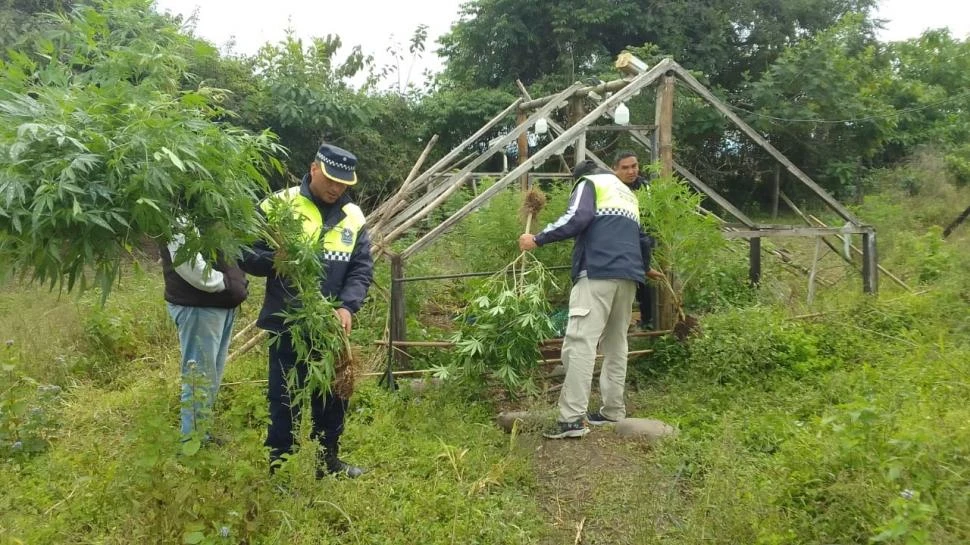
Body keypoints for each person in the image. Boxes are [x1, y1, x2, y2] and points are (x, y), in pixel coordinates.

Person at [240, 143, 373, 478]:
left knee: (333, 396)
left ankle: (326, 461)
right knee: (283, 396)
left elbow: (361, 268)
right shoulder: (278, 205)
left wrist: (347, 306)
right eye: (330, 179)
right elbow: (243, 251)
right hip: (288, 323)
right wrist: (275, 260)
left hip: (330, 327)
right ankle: (280, 467)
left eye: (344, 183)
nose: (336, 188)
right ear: (314, 168)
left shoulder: (353, 217)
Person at [518, 160, 661, 439]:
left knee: (580, 342)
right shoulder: (626, 194)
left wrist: (537, 239)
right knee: (616, 342)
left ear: (579, 179)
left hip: (597, 272)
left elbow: (577, 218)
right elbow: (643, 240)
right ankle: (612, 411)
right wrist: (643, 268)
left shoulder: (589, 184)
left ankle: (571, 419)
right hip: (628, 277)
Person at [160, 222, 248, 442]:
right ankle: (192, 442)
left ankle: (201, 434)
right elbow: (190, 265)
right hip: (199, 305)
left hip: (219, 304)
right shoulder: (179, 213)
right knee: (198, 375)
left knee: (212, 374)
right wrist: (227, 284)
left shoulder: (214, 209)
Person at [613, 151, 656, 329]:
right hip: (620, 243)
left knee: (645, 284)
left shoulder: (646, 187)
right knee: (621, 284)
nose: (631, 171)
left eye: (634, 166)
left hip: (644, 240)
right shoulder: (612, 188)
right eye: (625, 168)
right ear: (614, 170)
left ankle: (648, 321)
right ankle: (618, 323)